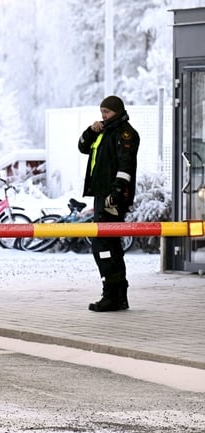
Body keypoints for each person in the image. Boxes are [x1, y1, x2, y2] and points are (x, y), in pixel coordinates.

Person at [78, 95, 139, 312]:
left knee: (104, 245)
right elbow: (83, 148)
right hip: (101, 195)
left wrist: (116, 193)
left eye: (107, 112)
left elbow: (126, 164)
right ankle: (116, 294)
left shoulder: (125, 133)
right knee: (108, 245)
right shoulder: (103, 132)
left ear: (118, 111)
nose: (103, 116)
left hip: (112, 197)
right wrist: (90, 131)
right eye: (101, 111)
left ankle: (114, 294)